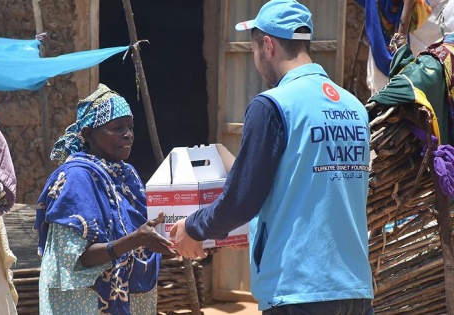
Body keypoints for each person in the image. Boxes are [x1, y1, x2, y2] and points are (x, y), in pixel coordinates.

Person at [169, 1, 374, 314]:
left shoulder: (273, 106)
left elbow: (241, 198)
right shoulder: (354, 108)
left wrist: (194, 228)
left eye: (253, 49)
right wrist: (253, 232)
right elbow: (317, 191)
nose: (254, 58)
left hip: (297, 291)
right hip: (355, 289)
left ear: (268, 45)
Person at [34, 84, 175, 315]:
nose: (128, 134)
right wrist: (137, 239)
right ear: (89, 134)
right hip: (87, 301)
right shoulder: (74, 179)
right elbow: (78, 259)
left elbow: (143, 235)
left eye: (130, 127)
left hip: (131, 295)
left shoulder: (126, 175)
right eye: (117, 128)